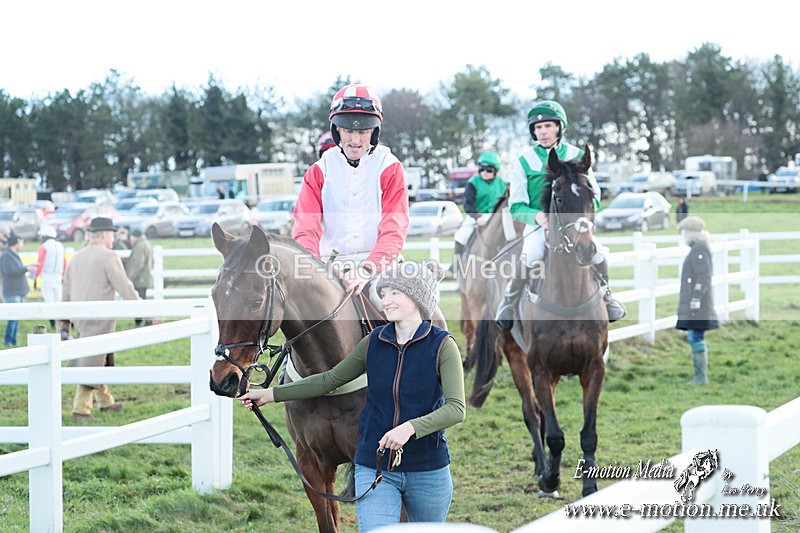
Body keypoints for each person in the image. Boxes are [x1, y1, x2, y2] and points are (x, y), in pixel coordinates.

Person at [239, 261, 465, 531]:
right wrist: (271, 394)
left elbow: (456, 409)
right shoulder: (373, 342)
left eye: (395, 294)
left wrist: (410, 428)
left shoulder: (443, 346)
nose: (385, 302)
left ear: (417, 298)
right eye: (384, 295)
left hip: (428, 470)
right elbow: (329, 380)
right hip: (376, 465)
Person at [496, 99, 627, 329]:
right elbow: (516, 205)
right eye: (538, 128)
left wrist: (583, 219)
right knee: (532, 253)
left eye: (548, 126)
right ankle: (509, 301)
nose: (543, 132)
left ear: (559, 127)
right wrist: (536, 216)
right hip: (540, 225)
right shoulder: (524, 162)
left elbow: (594, 195)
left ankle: (607, 296)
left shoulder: (578, 155)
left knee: (598, 253)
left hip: (576, 225)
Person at [293, 82, 409, 294]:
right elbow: (305, 229)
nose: (355, 140)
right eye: (348, 130)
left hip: (381, 267)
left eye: (363, 131)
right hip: (330, 268)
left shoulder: (390, 167)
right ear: (336, 130)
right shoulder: (318, 171)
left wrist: (367, 269)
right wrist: (314, 266)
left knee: (403, 309)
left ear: (374, 131)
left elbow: (394, 228)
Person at [61, 217, 141, 422]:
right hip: (99, 320)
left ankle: (106, 402)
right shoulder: (108, 256)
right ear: (105, 234)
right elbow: (125, 287)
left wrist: (64, 324)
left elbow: (65, 293)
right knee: (92, 362)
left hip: (80, 320)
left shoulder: (75, 258)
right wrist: (146, 310)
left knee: (99, 359)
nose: (113, 239)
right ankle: (81, 410)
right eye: (112, 235)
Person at [675, 216, 718, 385]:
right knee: (695, 336)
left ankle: (701, 377)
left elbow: (704, 276)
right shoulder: (698, 248)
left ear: (691, 232)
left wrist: (696, 299)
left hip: (699, 303)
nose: (683, 235)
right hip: (697, 301)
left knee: (695, 337)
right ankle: (700, 376)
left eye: (685, 232)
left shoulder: (699, 249)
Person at [452, 151, 507, 263]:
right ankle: (456, 265)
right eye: (482, 169)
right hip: (477, 216)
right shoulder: (472, 183)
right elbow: (468, 204)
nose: (484, 172)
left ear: (495, 171)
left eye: (489, 170)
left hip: (497, 217)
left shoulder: (503, 184)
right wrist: (477, 217)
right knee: (460, 236)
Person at [1, 233, 35, 347]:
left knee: (17, 317)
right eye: (21, 242)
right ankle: (8, 341)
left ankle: (13, 341)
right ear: (16, 242)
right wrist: (25, 268)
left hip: (18, 290)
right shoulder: (6, 256)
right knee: (13, 318)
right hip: (12, 291)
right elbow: (9, 271)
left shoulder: (12, 254)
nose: (22, 244)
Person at [33, 225, 66, 329]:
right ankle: (61, 323)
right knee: (59, 300)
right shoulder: (60, 246)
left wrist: (35, 277)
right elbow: (64, 262)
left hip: (47, 276)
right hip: (58, 276)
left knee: (49, 301)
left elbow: (40, 263)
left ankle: (53, 324)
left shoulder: (44, 247)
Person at [125, 228, 154, 327]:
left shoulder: (139, 246)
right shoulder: (146, 244)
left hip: (139, 279)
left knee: (138, 302)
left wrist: (130, 277)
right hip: (144, 278)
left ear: (134, 237)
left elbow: (137, 263)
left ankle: (139, 323)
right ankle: (145, 321)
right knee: (142, 300)